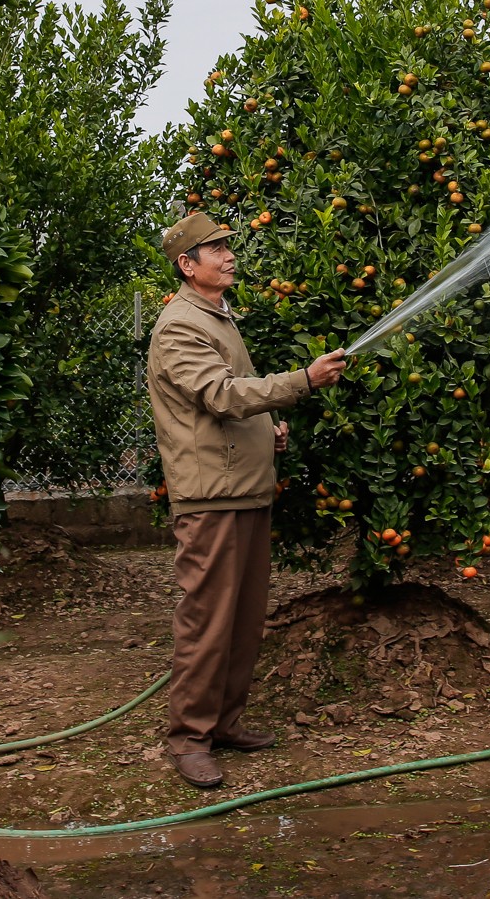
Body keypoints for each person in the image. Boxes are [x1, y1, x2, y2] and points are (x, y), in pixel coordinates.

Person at [147, 212, 347, 789]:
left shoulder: (219, 317)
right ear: (188, 265)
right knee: (208, 621)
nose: (230, 257)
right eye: (217, 249)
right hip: (211, 497)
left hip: (244, 491)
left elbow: (235, 397)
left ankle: (223, 723)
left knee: (243, 620)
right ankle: (188, 738)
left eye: (229, 247)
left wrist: (271, 428)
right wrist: (303, 380)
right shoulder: (181, 325)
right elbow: (220, 395)